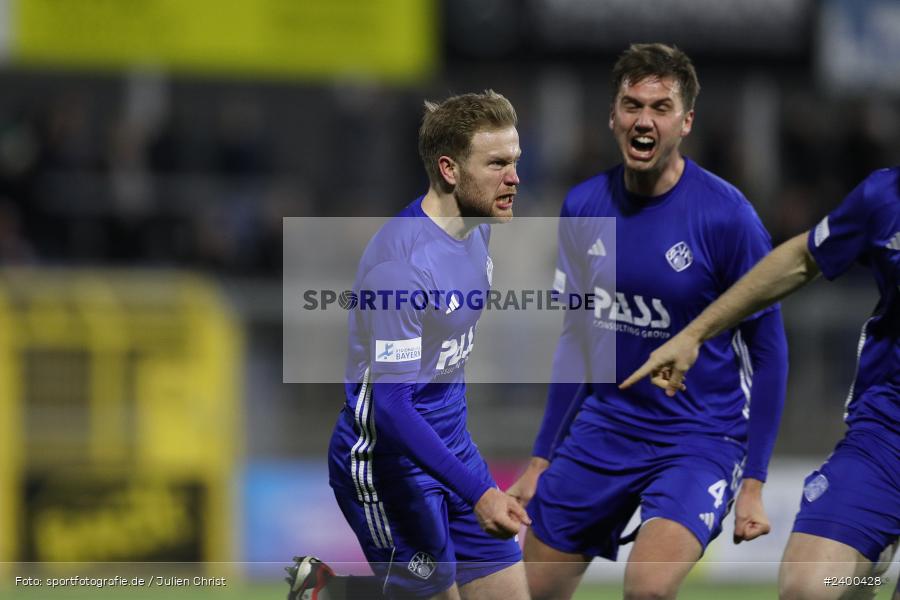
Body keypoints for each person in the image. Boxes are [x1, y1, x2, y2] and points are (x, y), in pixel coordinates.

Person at [506, 43, 789, 600]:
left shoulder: (726, 217)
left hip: (700, 436)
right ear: (613, 116)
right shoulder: (585, 207)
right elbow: (578, 341)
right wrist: (541, 457)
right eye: (632, 105)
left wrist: (754, 482)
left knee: (649, 587)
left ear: (685, 122)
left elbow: (771, 351)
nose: (644, 119)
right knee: (523, 592)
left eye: (661, 108)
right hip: (605, 426)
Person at [287, 90, 530, 600]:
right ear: (449, 169)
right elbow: (392, 410)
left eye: (515, 162)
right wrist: (480, 492)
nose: (514, 178)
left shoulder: (477, 230)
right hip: (388, 465)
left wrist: (469, 479)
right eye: (497, 164)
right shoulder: (400, 266)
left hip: (451, 453)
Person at [621, 167, 900, 600]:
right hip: (887, 435)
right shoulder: (885, 196)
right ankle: (875, 574)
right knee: (809, 587)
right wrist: (696, 332)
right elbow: (801, 259)